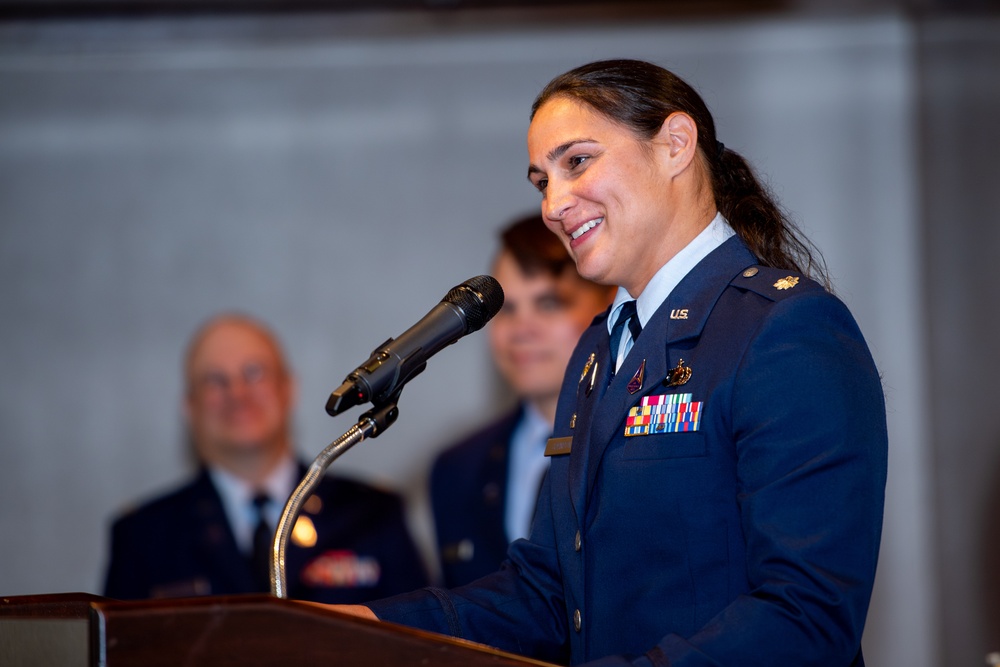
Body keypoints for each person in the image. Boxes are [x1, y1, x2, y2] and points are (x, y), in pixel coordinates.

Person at [335, 59, 888, 667]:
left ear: (675, 145)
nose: (553, 203)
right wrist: (364, 628)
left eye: (576, 162)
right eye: (541, 181)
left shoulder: (784, 329)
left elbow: (806, 614)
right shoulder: (600, 350)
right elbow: (547, 594)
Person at [103, 313, 429, 603]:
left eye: (254, 373)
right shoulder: (145, 537)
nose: (238, 393)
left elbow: (422, 647)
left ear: (288, 389)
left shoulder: (369, 514)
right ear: (190, 407)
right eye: (215, 381)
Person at [431, 214, 614, 588]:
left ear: (609, 304)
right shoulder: (457, 470)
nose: (521, 330)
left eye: (548, 304)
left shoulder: (645, 446)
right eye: (506, 310)